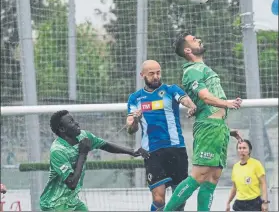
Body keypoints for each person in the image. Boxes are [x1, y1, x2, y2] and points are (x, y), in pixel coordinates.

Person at [163, 32, 243, 211]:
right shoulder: (192, 71)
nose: (199, 39)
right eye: (194, 40)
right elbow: (205, 97)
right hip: (208, 128)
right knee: (199, 176)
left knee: (213, 178)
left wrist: (226, 129)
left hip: (218, 128)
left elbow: (205, 103)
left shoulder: (203, 68)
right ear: (188, 49)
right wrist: (227, 103)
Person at [40, 110, 149, 211]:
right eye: (71, 122)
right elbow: (72, 183)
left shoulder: (83, 136)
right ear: (62, 129)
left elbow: (105, 145)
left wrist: (131, 151)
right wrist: (83, 153)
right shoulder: (58, 151)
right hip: (54, 204)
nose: (77, 123)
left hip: (71, 201)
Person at [126, 60, 197, 211]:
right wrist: (135, 121)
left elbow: (184, 99)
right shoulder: (135, 98)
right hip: (152, 152)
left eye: (158, 73)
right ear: (142, 75)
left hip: (176, 148)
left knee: (180, 199)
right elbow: (131, 128)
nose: (156, 76)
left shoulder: (171, 90)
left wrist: (191, 106)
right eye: (151, 74)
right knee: (158, 199)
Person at [226, 139, 269, 212]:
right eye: (239, 148)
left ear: (250, 150)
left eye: (244, 148)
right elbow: (234, 187)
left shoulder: (256, 164)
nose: (241, 150)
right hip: (239, 204)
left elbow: (263, 183)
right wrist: (228, 202)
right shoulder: (235, 166)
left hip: (254, 203)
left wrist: (264, 202)